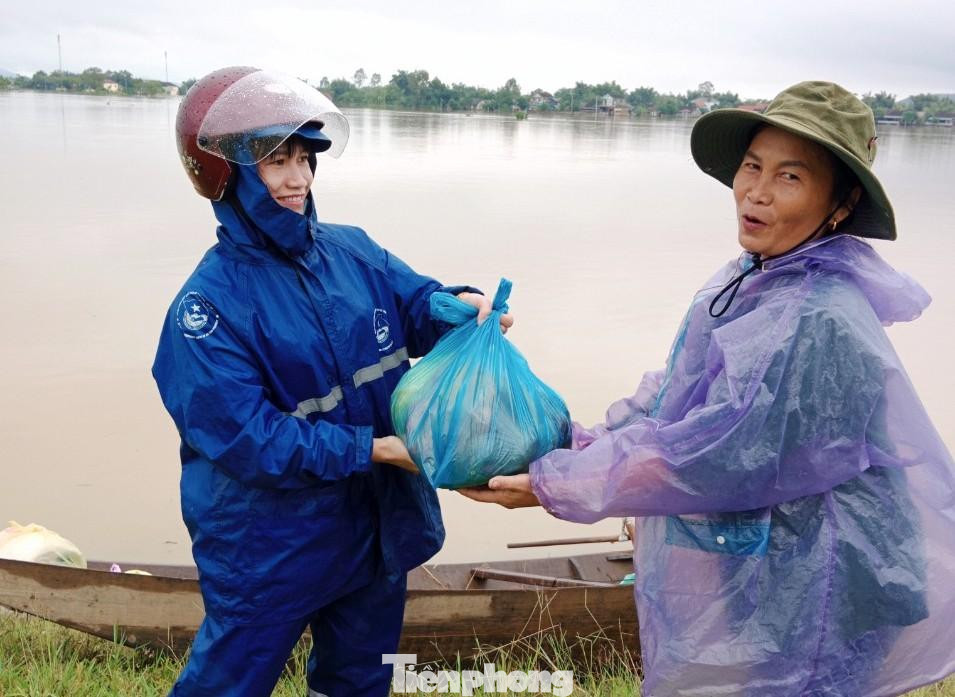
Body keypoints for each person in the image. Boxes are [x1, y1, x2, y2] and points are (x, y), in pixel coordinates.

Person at [461, 82, 955, 696]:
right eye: (752, 167)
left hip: (837, 569)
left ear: (841, 202)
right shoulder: (754, 278)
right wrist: (574, 442)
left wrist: (557, 484)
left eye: (791, 177)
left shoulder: (821, 314)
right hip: (778, 560)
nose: (757, 192)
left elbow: (722, 451)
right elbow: (674, 398)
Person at [152, 66, 510, 697]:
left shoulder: (351, 250)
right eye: (276, 161)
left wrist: (454, 311)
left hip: (375, 529)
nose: (299, 179)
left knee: (360, 684)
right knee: (226, 686)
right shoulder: (205, 313)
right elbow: (250, 440)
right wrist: (371, 449)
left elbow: (412, 306)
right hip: (270, 546)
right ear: (224, 174)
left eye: (305, 159)